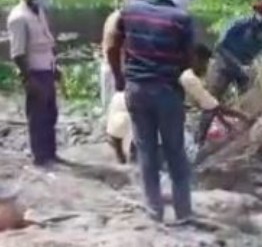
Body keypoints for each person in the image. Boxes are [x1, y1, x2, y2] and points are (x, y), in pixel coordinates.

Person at [106, 0, 199, 226]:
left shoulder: (130, 10)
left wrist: (120, 78)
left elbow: (113, 45)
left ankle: (153, 210)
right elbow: (188, 61)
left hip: (136, 90)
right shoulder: (182, 19)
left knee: (146, 150)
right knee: (175, 152)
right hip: (166, 92)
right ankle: (183, 213)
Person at [104, 43, 247, 165]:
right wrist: (242, 117)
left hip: (126, 115)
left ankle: (130, 159)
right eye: (205, 62)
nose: (205, 67)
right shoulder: (188, 77)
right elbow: (213, 106)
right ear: (195, 58)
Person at [197, 0, 262, 143]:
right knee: (210, 103)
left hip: (245, 71)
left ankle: (242, 140)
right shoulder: (239, 25)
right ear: (256, 12)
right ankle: (199, 140)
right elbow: (220, 47)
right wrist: (238, 65)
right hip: (224, 65)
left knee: (249, 105)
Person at [7, 0, 61, 169]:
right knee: (37, 117)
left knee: (50, 114)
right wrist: (29, 79)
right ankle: (40, 158)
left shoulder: (39, 11)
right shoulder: (18, 18)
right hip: (35, 72)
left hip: (47, 68)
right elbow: (18, 53)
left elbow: (47, 41)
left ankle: (51, 153)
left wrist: (56, 66)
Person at [100, 0, 150, 111]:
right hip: (115, 70)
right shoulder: (118, 19)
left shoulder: (126, 17)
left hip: (122, 70)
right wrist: (119, 78)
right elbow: (111, 49)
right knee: (116, 113)